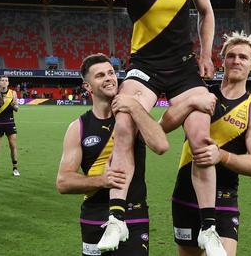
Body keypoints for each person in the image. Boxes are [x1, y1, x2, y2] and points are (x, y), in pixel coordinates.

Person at [81, 0, 219, 254]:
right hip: (144, 66)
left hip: (185, 66)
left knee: (202, 136)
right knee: (124, 123)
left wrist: (206, 54)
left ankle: (209, 228)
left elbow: (206, 12)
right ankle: (116, 220)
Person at [160, 32, 251, 256]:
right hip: (186, 195)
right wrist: (190, 102)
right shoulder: (201, 95)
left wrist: (222, 156)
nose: (236, 61)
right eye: (231, 56)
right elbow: (163, 125)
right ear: (223, 61)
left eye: (243, 57)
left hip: (224, 199)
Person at [56, 54, 168, 256]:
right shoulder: (78, 128)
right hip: (94, 216)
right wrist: (101, 180)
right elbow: (63, 182)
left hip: (133, 215)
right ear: (87, 87)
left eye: (111, 73)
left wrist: (134, 106)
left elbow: (161, 145)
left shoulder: (134, 118)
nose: (109, 78)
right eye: (100, 75)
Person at [0, 76, 20, 177]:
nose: (4, 82)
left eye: (6, 81)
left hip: (10, 122)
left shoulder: (13, 93)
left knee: (13, 145)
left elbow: (17, 108)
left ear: (8, 83)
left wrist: (14, 105)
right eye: (2, 80)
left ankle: (15, 168)